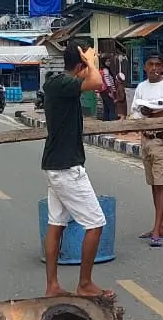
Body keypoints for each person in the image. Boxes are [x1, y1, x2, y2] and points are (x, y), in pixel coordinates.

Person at [40, 45, 114, 299]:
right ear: (80, 66)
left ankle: (52, 286)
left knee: (56, 224)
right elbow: (97, 83)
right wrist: (92, 62)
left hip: (55, 165)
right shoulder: (65, 83)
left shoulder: (56, 83)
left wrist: (87, 62)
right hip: (67, 168)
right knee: (95, 224)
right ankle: (85, 284)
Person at [130, 55, 163, 247]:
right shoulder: (141, 87)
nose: (155, 68)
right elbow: (135, 111)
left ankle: (157, 229)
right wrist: (144, 113)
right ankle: (162, 225)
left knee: (160, 184)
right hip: (146, 139)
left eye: (158, 64)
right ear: (145, 67)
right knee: (153, 184)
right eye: (151, 64)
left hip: (162, 139)